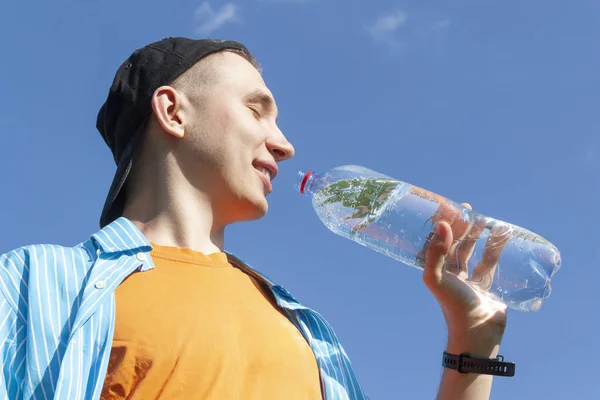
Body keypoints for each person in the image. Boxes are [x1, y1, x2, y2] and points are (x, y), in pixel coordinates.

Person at [0, 37, 512, 400]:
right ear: (173, 113)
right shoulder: (34, 285)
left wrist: (473, 343)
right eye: (256, 109)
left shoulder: (304, 328)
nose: (285, 145)